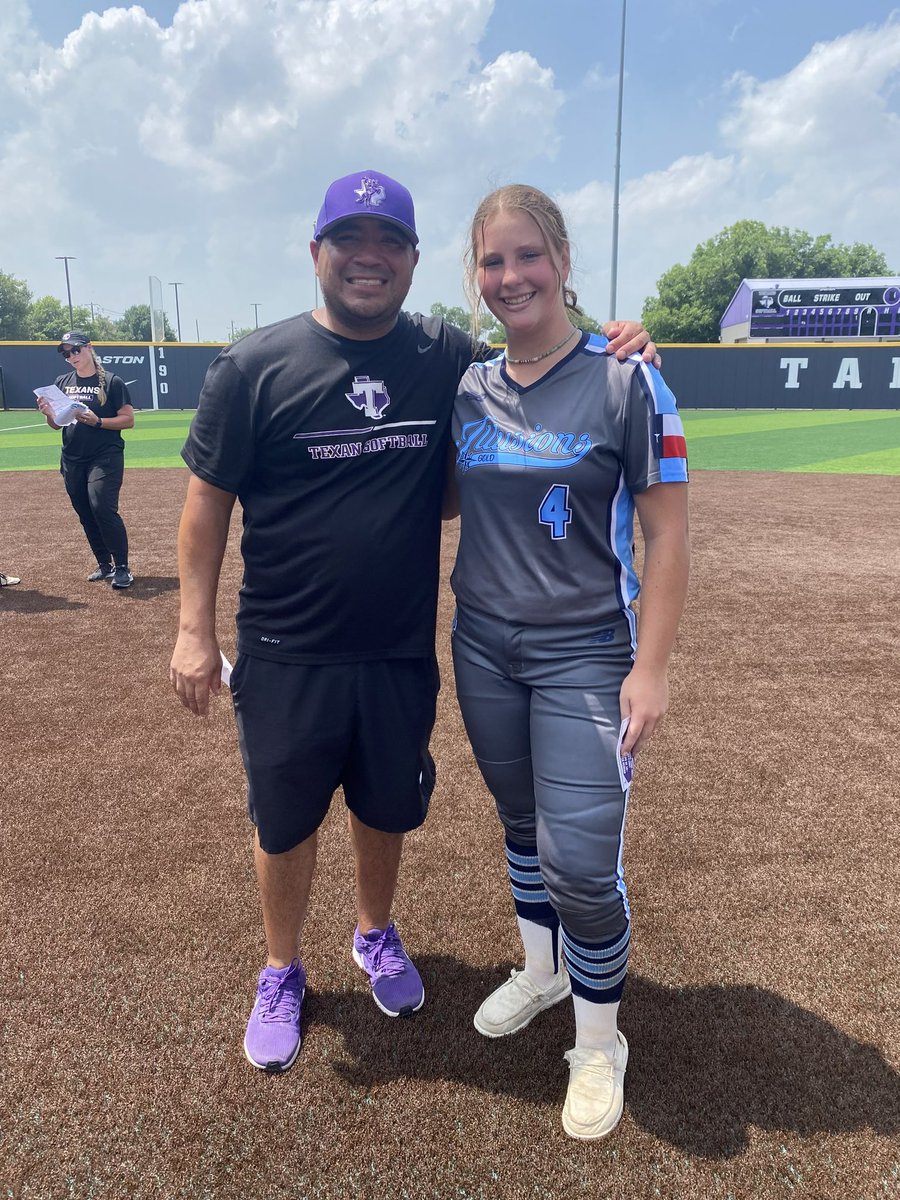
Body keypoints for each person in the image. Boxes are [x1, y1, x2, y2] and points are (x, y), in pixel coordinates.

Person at [169, 168, 657, 1075]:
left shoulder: (442, 357)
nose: (368, 258)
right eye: (349, 240)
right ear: (316, 253)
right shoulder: (253, 365)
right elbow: (206, 507)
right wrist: (194, 629)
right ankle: (281, 969)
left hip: (399, 645)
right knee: (284, 820)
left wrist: (622, 337)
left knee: (386, 805)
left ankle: (375, 933)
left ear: (417, 262)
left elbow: (543, 363)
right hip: (285, 645)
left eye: (389, 242)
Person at [448, 185, 690, 1140]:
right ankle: (543, 976)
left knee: (580, 863)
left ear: (562, 260)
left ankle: (599, 1045)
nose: (511, 277)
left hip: (588, 649)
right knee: (520, 822)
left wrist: (654, 668)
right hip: (483, 646)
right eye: (492, 262)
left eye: (527, 256)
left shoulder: (630, 378)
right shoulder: (467, 386)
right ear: (476, 276)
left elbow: (668, 540)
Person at [36, 331, 135, 589]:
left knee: (101, 505)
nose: (71, 357)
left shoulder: (112, 382)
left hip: (105, 456)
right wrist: (49, 413)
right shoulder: (62, 381)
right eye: (66, 354)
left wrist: (99, 421)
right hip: (72, 458)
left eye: (75, 350)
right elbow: (57, 425)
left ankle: (122, 567)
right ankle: (104, 565)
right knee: (85, 511)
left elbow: (128, 419)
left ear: (89, 348)